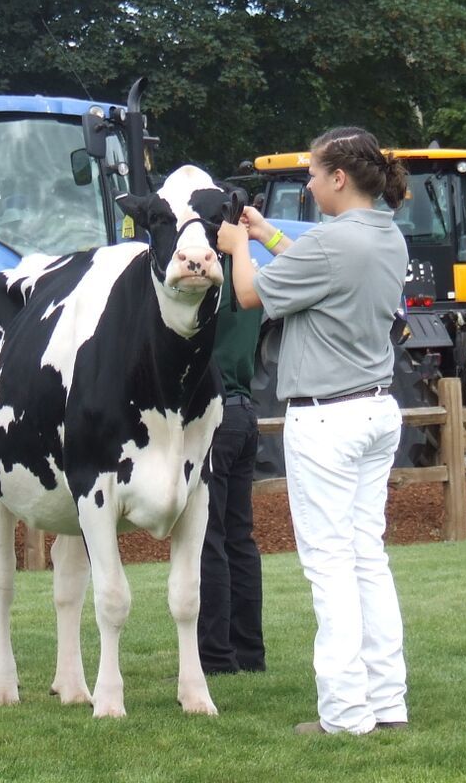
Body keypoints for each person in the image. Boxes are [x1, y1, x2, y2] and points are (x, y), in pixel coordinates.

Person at [217, 126, 409, 736]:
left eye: (312, 172)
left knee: (329, 568)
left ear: (338, 178)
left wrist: (234, 245)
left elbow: (249, 294)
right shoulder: (387, 234)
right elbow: (314, 266)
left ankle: (345, 715)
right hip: (377, 410)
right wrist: (264, 232)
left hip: (327, 417)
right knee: (367, 561)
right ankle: (388, 705)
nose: (306, 181)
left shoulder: (329, 244)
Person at [197, 254, 265, 675]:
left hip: (215, 415)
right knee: (240, 537)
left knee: (209, 537)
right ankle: (249, 652)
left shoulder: (213, 282)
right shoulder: (250, 276)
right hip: (246, 412)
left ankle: (216, 656)